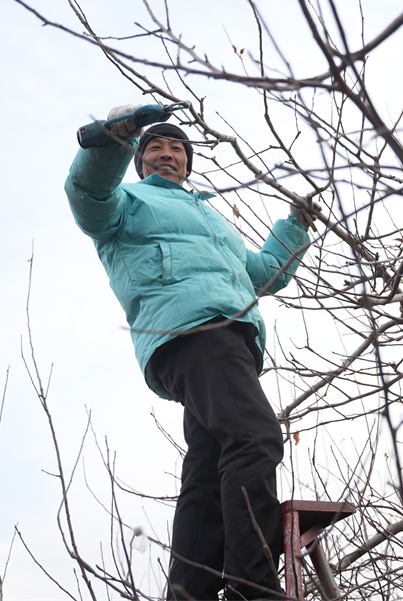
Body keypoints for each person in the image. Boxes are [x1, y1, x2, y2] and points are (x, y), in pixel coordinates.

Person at [64, 104, 316, 600]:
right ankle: (253, 588)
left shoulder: (212, 219)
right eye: (153, 147)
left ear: (188, 161)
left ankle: (189, 592)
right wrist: (112, 140)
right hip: (194, 331)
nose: (166, 153)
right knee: (254, 437)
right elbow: (87, 195)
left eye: (176, 148)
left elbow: (263, 273)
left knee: (210, 466)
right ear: (136, 159)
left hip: (229, 337)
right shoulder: (127, 203)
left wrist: (296, 225)